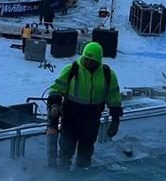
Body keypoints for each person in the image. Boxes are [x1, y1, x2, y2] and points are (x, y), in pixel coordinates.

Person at [48, 42, 122, 171]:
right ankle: (61, 178)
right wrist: (55, 104)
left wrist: (115, 121)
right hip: (70, 119)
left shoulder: (108, 75)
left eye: (91, 61)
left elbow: (114, 99)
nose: (87, 63)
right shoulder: (71, 70)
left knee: (85, 154)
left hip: (91, 121)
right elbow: (56, 89)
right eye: (85, 59)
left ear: (98, 60)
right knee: (66, 151)